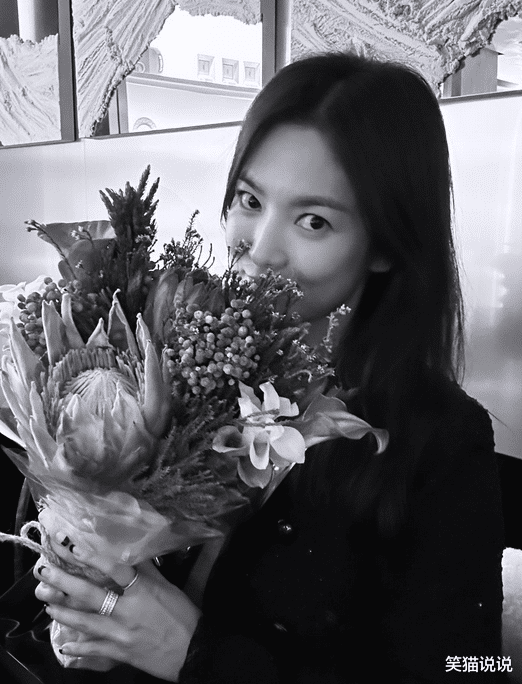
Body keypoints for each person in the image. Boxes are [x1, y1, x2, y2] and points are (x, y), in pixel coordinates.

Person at [30, 52, 505, 683]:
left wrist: (191, 653)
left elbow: (471, 668)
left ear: (388, 244)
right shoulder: (175, 366)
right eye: (250, 200)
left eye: (313, 221)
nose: (259, 247)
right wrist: (88, 613)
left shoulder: (442, 443)